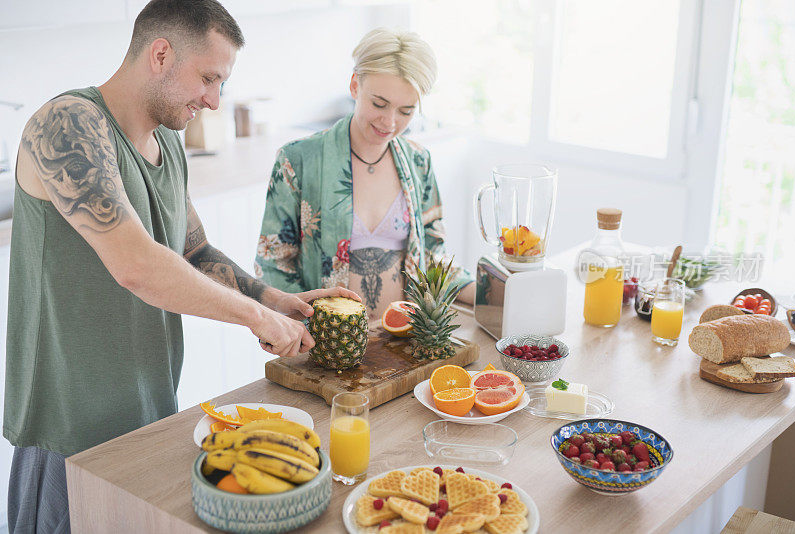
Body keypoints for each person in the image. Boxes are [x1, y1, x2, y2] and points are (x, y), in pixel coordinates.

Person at [4, 1, 357, 531]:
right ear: (161, 54)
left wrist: (272, 299)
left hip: (150, 412)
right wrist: (256, 320)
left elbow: (193, 250)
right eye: (209, 79)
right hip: (69, 431)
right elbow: (137, 265)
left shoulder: (168, 140)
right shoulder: (68, 124)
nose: (213, 101)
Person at [255, 28, 475, 321]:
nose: (390, 122)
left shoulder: (419, 161)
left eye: (406, 111)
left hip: (403, 343)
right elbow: (273, 264)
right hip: (324, 344)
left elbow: (433, 255)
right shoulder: (297, 160)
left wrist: (488, 291)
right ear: (355, 85)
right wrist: (311, 327)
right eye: (379, 104)